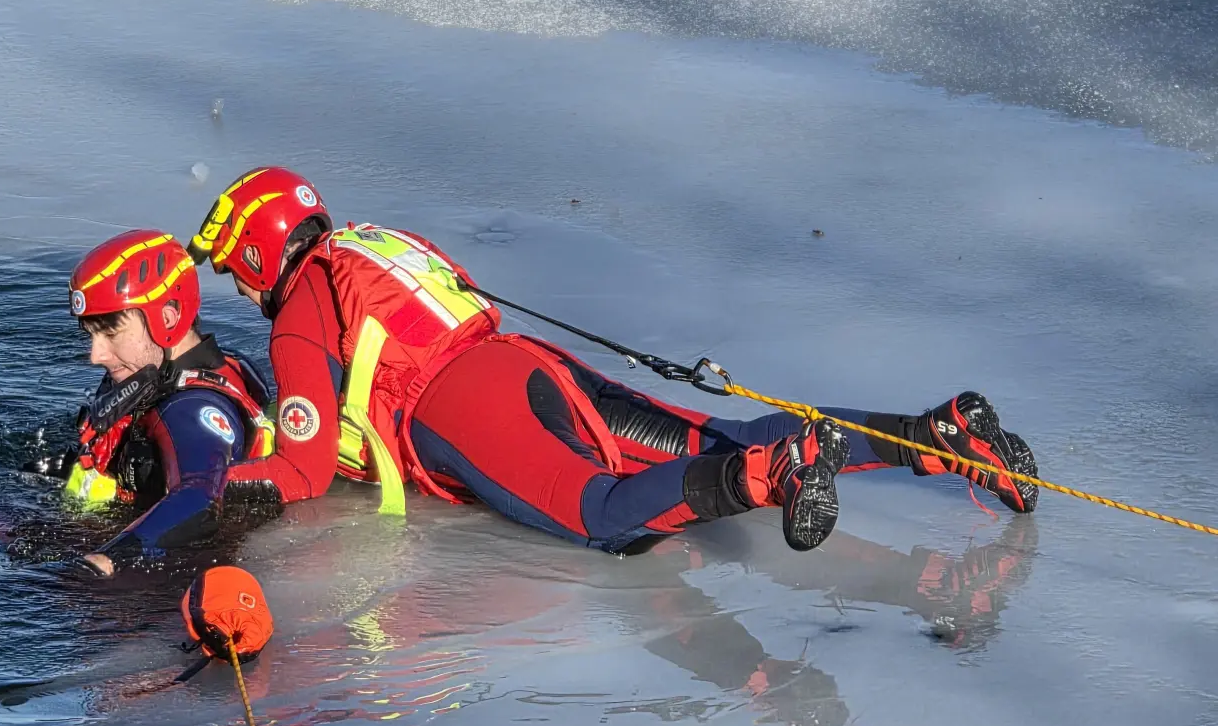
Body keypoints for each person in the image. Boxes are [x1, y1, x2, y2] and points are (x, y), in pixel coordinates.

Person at [186, 166, 1040, 554]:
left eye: (235, 272)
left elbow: (299, 466)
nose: (242, 289)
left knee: (601, 510)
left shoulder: (300, 305)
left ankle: (765, 478)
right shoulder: (377, 242)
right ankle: (937, 433)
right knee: (713, 430)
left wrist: (207, 493)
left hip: (464, 408)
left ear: (260, 257)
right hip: (524, 362)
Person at [26, 229, 279, 578]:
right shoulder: (158, 374)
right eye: (91, 334)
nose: (96, 355)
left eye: (111, 334)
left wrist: (105, 561)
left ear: (169, 318)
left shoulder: (190, 408)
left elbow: (200, 499)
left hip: (156, 591)